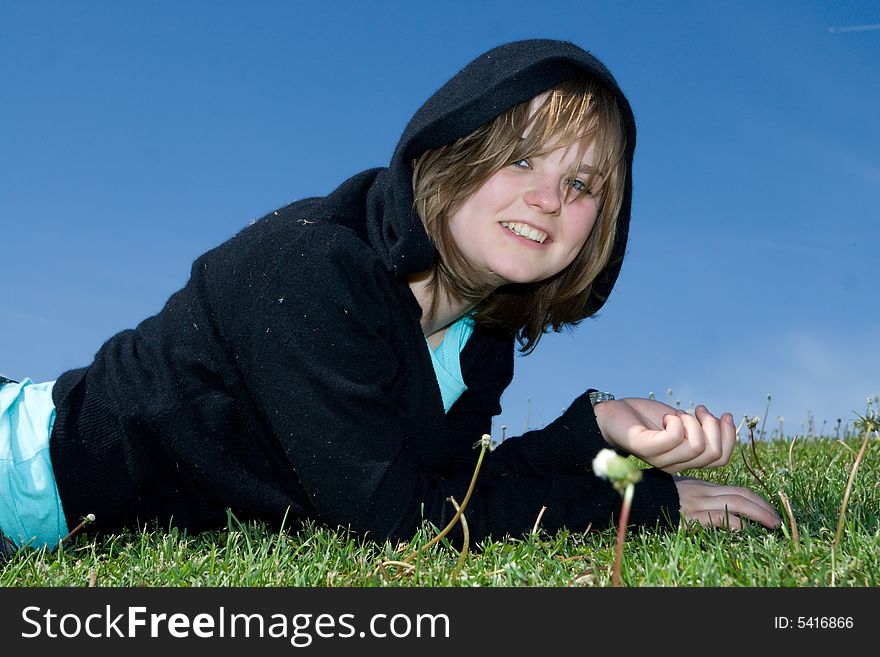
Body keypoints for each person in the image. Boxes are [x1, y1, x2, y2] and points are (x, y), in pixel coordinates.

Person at [0, 39, 780, 561]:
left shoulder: (479, 337)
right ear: (454, 147)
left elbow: (453, 489)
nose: (548, 199)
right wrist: (639, 507)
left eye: (581, 185)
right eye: (519, 159)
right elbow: (393, 524)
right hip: (27, 474)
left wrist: (596, 431)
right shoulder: (316, 268)